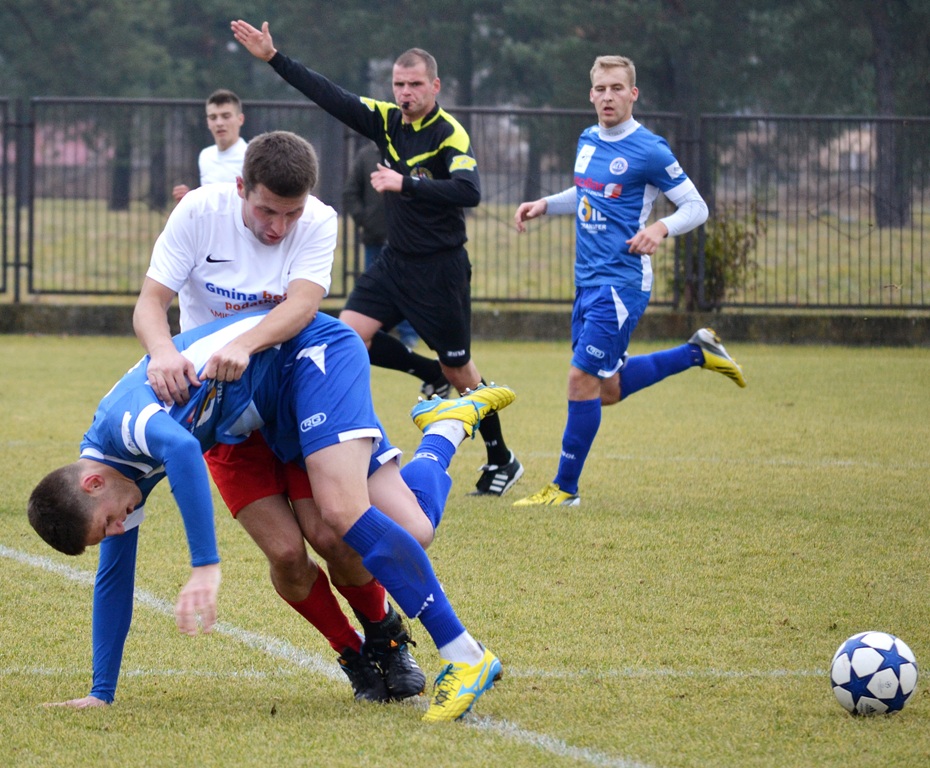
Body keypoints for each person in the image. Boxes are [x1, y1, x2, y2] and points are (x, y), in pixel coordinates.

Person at [28, 310, 516, 723]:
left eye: (107, 525)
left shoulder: (124, 425)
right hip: (255, 414)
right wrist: (101, 691)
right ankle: (444, 430)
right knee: (323, 541)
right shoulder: (113, 478)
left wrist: (205, 564)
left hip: (307, 358)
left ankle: (454, 651)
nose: (118, 530)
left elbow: (181, 449)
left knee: (375, 524)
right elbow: (113, 579)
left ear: (93, 484)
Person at [137, 129, 423, 703]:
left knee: (333, 536)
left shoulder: (319, 219)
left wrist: (245, 344)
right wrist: (163, 351)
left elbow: (303, 305)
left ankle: (387, 637)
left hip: (296, 398)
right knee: (289, 555)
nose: (278, 227)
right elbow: (151, 302)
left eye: (291, 213)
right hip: (223, 413)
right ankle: (352, 653)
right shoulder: (198, 211)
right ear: (240, 186)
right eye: (267, 210)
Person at [231, 19, 524, 497]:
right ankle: (426, 372)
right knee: (349, 337)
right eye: (399, 85)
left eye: (415, 85)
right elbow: (331, 96)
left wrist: (405, 183)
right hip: (394, 263)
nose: (406, 93)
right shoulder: (386, 120)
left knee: (462, 372)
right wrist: (274, 58)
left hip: (440, 269)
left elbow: (469, 191)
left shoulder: (448, 133)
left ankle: (501, 457)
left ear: (435, 86)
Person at [511, 55, 746, 508]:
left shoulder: (650, 150)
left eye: (617, 88)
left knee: (581, 379)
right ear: (591, 94)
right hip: (587, 282)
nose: (608, 97)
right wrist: (546, 204)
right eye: (600, 89)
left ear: (633, 94)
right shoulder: (587, 139)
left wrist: (660, 228)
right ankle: (697, 352)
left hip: (621, 284)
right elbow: (587, 192)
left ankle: (565, 489)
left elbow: (696, 207)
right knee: (607, 389)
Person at [343, 141, 419, 349]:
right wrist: (365, 220)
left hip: (407, 240)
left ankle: (409, 335)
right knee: (374, 288)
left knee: (408, 288)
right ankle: (374, 333)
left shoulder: (412, 153)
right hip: (375, 237)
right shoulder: (366, 156)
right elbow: (350, 192)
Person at [172, 89, 248, 202]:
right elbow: (209, 203)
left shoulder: (251, 156)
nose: (219, 123)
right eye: (213, 117)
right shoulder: (205, 156)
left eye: (226, 116)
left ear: (240, 119)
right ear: (208, 122)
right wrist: (189, 199)